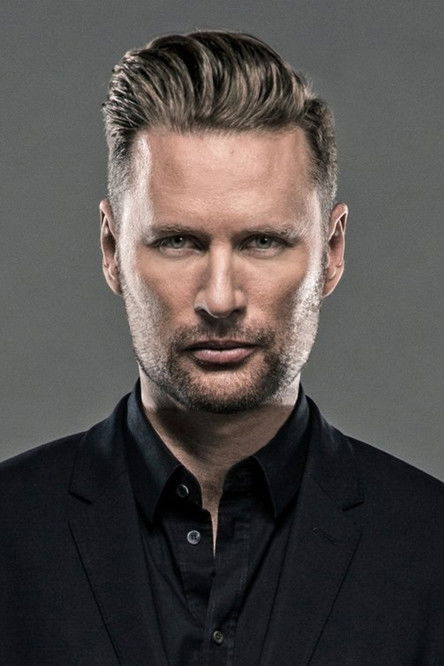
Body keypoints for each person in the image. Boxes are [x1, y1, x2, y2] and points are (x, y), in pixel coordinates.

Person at [0, 30, 442, 666]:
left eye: (263, 242)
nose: (220, 298)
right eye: (178, 242)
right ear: (112, 250)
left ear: (332, 252)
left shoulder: (431, 548)